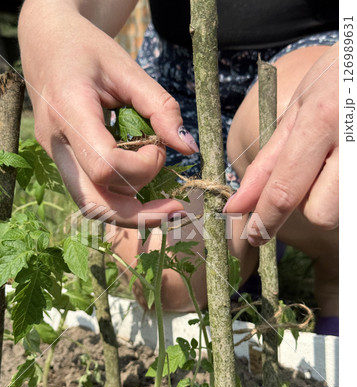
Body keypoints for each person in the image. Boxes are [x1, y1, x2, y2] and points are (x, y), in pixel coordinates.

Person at [18, 0, 339, 335]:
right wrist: (51, 25)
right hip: (180, 73)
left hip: (321, 54)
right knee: (170, 279)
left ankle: (336, 270)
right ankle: (254, 242)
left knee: (294, 125)